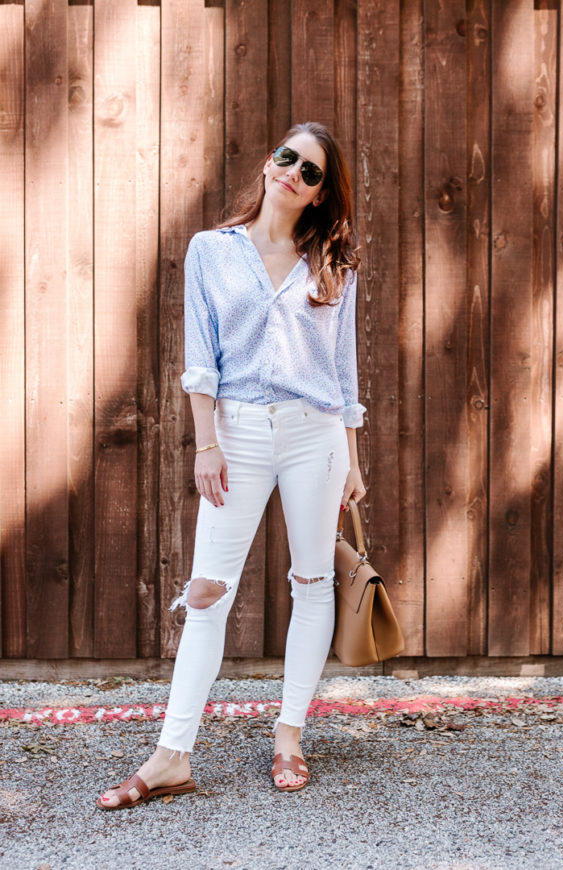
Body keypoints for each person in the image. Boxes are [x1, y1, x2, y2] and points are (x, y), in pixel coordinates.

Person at [97, 121, 366, 809]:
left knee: (312, 582)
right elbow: (199, 361)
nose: (293, 174)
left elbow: (342, 376)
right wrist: (206, 443)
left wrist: (352, 461)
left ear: (319, 195)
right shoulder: (211, 252)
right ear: (269, 160)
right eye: (287, 158)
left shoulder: (332, 263)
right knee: (208, 590)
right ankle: (171, 756)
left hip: (317, 437)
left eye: (310, 173)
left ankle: (289, 736)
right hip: (238, 434)